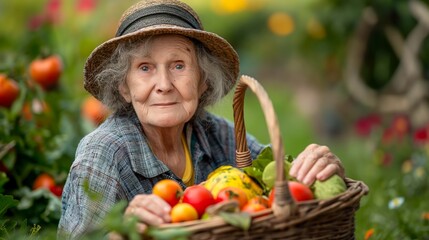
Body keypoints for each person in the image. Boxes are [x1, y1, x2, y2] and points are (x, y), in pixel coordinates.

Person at [58, 0, 345, 238]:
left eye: (179, 65)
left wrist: (318, 173)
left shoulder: (218, 134)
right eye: (145, 68)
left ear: (203, 80)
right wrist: (122, 231)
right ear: (124, 86)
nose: (164, 84)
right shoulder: (103, 152)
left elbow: (278, 186)